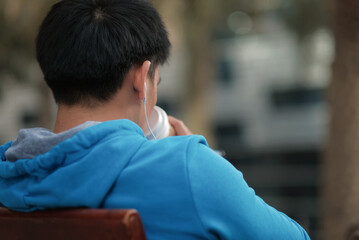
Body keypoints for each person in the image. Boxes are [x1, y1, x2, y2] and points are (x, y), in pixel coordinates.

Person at [0, 0, 310, 239]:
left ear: (52, 84)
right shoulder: (189, 169)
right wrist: (199, 161)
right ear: (141, 79)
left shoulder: (7, 173)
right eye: (156, 82)